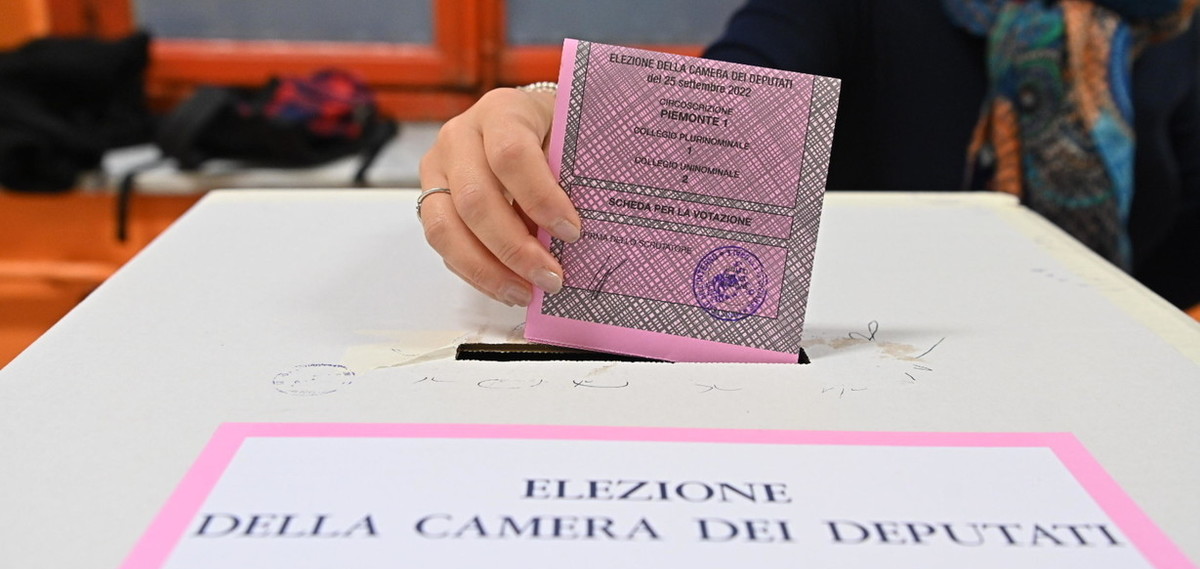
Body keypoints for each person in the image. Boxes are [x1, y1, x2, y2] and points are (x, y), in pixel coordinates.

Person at [417, 0, 1200, 312]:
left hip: (1099, 396)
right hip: (880, 380)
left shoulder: (1172, 31)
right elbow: (728, 94)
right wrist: (546, 111)